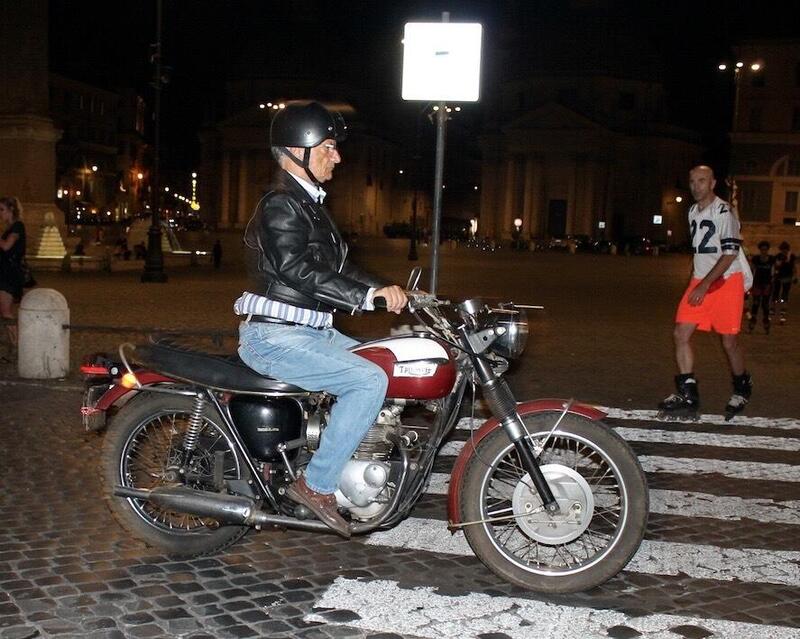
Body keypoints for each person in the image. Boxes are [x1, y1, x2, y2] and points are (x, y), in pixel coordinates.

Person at [234, 101, 407, 537]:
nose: (338, 156)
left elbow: (342, 269)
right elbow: (296, 270)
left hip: (313, 332)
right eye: (328, 147)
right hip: (275, 337)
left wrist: (397, 292)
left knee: (393, 361)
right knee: (368, 380)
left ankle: (350, 451)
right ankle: (316, 485)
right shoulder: (280, 205)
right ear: (299, 150)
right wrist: (366, 298)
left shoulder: (309, 205)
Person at [658, 166, 752, 421]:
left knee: (729, 342)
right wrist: (695, 281)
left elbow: (730, 253)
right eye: (692, 181)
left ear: (712, 183)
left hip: (725, 281)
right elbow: (701, 252)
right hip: (701, 280)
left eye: (701, 181)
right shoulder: (691, 211)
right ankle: (689, 393)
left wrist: (704, 285)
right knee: (681, 333)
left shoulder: (724, 211)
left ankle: (742, 386)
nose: (696, 186)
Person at [0, 196, 27, 350]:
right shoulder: (11, 228)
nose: (0, 213)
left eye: (2, 209)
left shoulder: (17, 226)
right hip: (5, 272)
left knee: (6, 311)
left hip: (9, 274)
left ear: (11, 210)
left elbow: (6, 246)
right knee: (4, 310)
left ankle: (17, 343)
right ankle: (14, 342)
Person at [748, 240, 775, 333]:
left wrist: (772, 282)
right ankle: (752, 324)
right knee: (755, 304)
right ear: (760, 250)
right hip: (757, 283)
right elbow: (752, 270)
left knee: (765, 305)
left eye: (765, 249)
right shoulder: (756, 259)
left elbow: (773, 271)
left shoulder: (772, 259)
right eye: (762, 249)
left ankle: (766, 324)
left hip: (767, 284)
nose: (764, 251)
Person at [771, 241, 797, 325]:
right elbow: (775, 266)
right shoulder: (779, 256)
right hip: (779, 278)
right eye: (783, 250)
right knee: (776, 295)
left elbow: (794, 267)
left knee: (784, 296)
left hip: (786, 278)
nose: (784, 251)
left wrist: (795, 276)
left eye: (785, 249)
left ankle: (782, 314)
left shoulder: (791, 257)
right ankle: (773, 312)